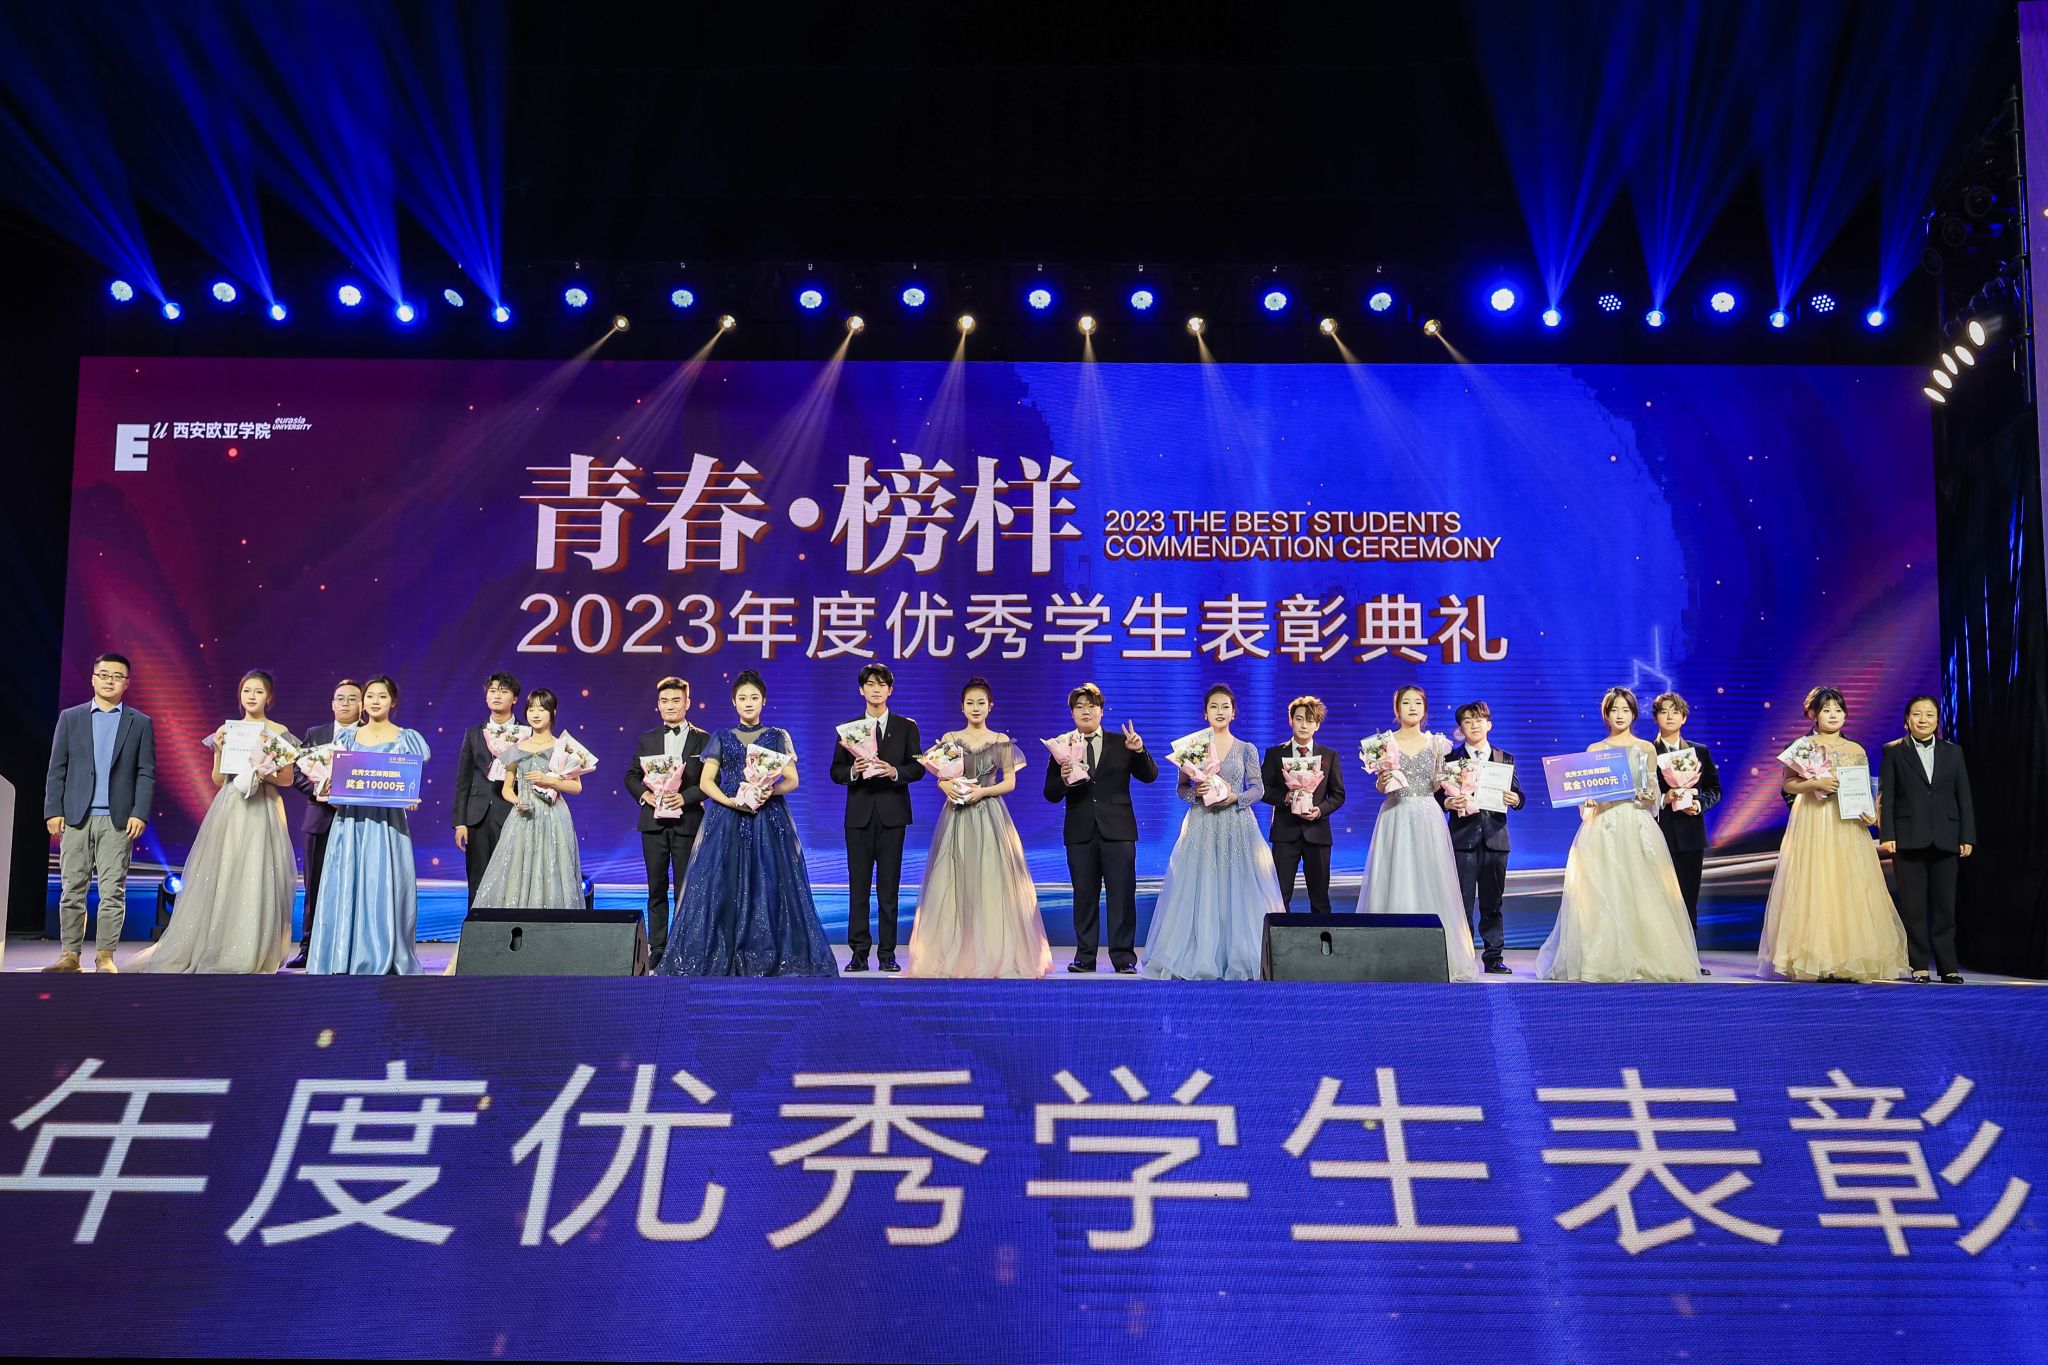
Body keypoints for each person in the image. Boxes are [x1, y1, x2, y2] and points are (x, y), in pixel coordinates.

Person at [655, 670, 837, 977]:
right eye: (742, 698)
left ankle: (771, 953)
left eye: (754, 697)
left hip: (768, 817)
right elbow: (707, 782)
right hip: (727, 819)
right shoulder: (721, 737)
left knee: (771, 882)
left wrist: (768, 791)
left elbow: (792, 779)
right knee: (721, 883)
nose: (748, 703)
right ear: (734, 703)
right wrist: (730, 801)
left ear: (763, 701)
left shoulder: (776, 736)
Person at [129, 670, 299, 973]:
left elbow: (287, 779)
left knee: (257, 871)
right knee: (226, 871)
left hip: (263, 807)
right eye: (246, 691)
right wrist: (220, 751)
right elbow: (219, 778)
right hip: (233, 805)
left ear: (269, 697)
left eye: (258, 691)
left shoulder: (278, 731)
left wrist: (262, 772)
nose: (251, 696)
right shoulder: (228, 730)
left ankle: (253, 947)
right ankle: (219, 942)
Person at [1535, 687, 1701, 982]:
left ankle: (1645, 956)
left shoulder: (1645, 749)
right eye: (1615, 710)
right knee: (1602, 892)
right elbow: (1585, 801)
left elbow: (1653, 795)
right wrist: (1589, 800)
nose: (1620, 715)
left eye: (1626, 710)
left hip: (1637, 825)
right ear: (1606, 715)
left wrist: (1649, 796)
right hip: (1603, 826)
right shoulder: (1594, 750)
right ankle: (1602, 960)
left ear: (1634, 714)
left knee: (1642, 890)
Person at [1757, 687, 1909, 983]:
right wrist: (1816, 783)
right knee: (1817, 882)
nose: (1833, 715)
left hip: (1848, 823)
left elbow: (1863, 787)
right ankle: (1817, 958)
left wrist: (1870, 813)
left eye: (1838, 710)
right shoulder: (1803, 745)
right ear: (1813, 714)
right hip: (1815, 819)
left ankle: (1851, 957)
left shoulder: (1856, 749)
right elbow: (1788, 784)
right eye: (1826, 710)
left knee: (1850, 883)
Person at [905, 677, 1051, 978]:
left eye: (981, 703)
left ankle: (994, 954)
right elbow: (939, 774)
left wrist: (982, 792)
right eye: (970, 703)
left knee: (991, 883)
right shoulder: (950, 738)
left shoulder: (1000, 740)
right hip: (957, 816)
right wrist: (944, 785)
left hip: (990, 816)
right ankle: (953, 954)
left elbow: (1010, 782)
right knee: (953, 882)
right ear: (962, 707)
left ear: (990, 706)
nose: (975, 707)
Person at [1143, 684, 1286, 980]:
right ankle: (1200, 955)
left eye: (1225, 707)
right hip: (1203, 824)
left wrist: (1236, 798)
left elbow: (1258, 789)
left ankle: (1238, 955)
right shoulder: (1192, 747)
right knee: (1202, 889)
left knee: (1238, 889)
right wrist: (1195, 793)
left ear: (1234, 713)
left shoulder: (1246, 749)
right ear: (1205, 713)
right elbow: (1181, 789)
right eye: (1214, 707)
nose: (1220, 712)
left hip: (1237, 824)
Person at [446, 689, 587, 975]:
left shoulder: (564, 747)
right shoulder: (517, 746)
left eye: (541, 709)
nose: (535, 714)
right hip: (522, 818)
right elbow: (506, 788)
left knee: (551, 873)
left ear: (553, 713)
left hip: (553, 819)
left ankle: (554, 953)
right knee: (513, 876)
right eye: (531, 708)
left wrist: (550, 781)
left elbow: (576, 787)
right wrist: (516, 801)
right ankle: (509, 950)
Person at [307, 677, 431, 975]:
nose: (376, 701)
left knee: (382, 883)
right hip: (350, 823)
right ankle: (343, 955)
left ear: (393, 702)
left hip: (387, 825)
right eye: (370, 696)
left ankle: (382, 953)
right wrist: (327, 789)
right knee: (346, 882)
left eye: (382, 696)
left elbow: (409, 778)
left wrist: (409, 796)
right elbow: (332, 780)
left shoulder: (406, 738)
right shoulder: (347, 739)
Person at [42, 652, 156, 974]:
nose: (109, 681)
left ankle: (105, 956)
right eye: (104, 674)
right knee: (71, 889)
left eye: (117, 676)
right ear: (93, 678)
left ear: (127, 683)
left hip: (118, 820)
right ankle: (70, 955)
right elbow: (57, 768)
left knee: (112, 891)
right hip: (76, 817)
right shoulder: (71, 718)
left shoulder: (139, 722)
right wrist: (53, 810)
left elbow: (146, 772)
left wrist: (139, 813)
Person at [1358, 686, 1480, 981]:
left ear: (1424, 709)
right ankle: (1390, 955)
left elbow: (1438, 783)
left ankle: (1434, 955)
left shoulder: (1437, 742)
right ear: (1396, 708)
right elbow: (1380, 787)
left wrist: (1458, 786)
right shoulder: (1383, 742)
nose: (1412, 707)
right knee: (1394, 875)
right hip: (1395, 813)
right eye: (1406, 702)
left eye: (1417, 703)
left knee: (1430, 877)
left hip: (1427, 815)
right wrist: (1384, 780)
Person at [1043, 683, 1158, 974]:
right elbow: (1050, 793)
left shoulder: (1122, 742)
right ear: (1072, 713)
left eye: (1091, 706)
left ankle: (1123, 958)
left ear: (1101, 711)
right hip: (1080, 831)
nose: (1086, 711)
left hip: (1118, 831)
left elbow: (1150, 776)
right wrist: (1064, 779)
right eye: (1079, 707)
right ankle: (1085, 957)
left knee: (1122, 895)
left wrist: (1140, 750)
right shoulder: (1062, 745)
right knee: (1084, 895)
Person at [829, 663, 925, 972]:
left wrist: (895, 771)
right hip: (858, 817)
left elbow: (918, 766)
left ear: (890, 690)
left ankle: (887, 954)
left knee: (889, 889)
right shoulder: (848, 729)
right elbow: (835, 771)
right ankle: (859, 954)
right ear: (861, 690)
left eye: (881, 684)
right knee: (858, 888)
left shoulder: (906, 726)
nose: (876, 689)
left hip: (892, 816)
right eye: (870, 684)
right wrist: (852, 771)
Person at [1878, 694, 1978, 984]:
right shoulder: (1893, 751)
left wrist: (1967, 835)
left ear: (1937, 720)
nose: (1923, 720)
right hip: (1907, 837)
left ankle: (1948, 967)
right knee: (1913, 907)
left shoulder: (1953, 752)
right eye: (1917, 714)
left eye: (1929, 714)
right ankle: (1919, 965)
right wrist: (1888, 833)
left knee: (1945, 907)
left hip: (1947, 837)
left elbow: (1963, 795)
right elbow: (1886, 795)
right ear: (1907, 719)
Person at [624, 676, 708, 968]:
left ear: (688, 703)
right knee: (656, 887)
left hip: (688, 822)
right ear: (658, 705)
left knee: (686, 887)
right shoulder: (647, 739)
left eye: (676, 700)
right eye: (664, 701)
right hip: (653, 824)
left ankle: (684, 945)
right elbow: (631, 776)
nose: (670, 706)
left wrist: (684, 797)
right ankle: (658, 947)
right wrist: (645, 795)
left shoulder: (704, 739)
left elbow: (712, 781)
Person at [1439, 700, 1522, 975]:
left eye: (1479, 720)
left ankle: (1493, 958)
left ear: (1489, 724)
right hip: (1463, 839)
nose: (1474, 725)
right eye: (1467, 721)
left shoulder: (1504, 758)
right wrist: (1448, 803)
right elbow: (1437, 798)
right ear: (1460, 729)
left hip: (1496, 840)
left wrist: (1515, 799)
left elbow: (1519, 796)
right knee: (1462, 903)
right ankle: (1462, 958)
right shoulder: (1450, 760)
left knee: (1492, 903)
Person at [285, 678, 362, 969]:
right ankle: (309, 947)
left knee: (354, 886)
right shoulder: (315, 734)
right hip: (320, 819)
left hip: (358, 821)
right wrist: (321, 792)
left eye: (352, 698)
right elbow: (296, 771)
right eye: (340, 698)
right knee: (315, 886)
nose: (345, 703)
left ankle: (351, 948)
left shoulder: (369, 735)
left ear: (362, 704)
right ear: (332, 704)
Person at [1649, 692, 1722, 974]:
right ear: (1655, 717)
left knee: (1688, 899)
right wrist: (1664, 799)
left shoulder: (1699, 752)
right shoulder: (1646, 751)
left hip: (1691, 834)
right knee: (1657, 897)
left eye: (1675, 711)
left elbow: (1714, 789)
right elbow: (1641, 792)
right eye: (1664, 711)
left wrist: (1699, 803)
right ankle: (1657, 957)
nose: (1670, 716)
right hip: (1658, 833)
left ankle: (1689, 959)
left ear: (1684, 717)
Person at [1259, 695, 1347, 913]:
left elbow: (1338, 795)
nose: (1304, 725)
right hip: (1285, 833)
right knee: (1280, 897)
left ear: (1317, 725)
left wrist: (1320, 811)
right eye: (1299, 719)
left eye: (1310, 720)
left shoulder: (1329, 756)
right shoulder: (1274, 754)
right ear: (1290, 720)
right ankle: (1278, 936)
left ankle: (1323, 936)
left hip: (1318, 834)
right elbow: (1262, 790)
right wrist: (1285, 798)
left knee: (1320, 898)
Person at [453, 671, 522, 908]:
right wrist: (460, 823)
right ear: (486, 697)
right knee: (477, 879)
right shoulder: (473, 733)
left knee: (511, 877)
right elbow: (463, 780)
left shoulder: (526, 733)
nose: (497, 695)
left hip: (512, 813)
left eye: (504, 691)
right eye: (492, 691)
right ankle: (476, 928)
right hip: (477, 817)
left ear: (514, 698)